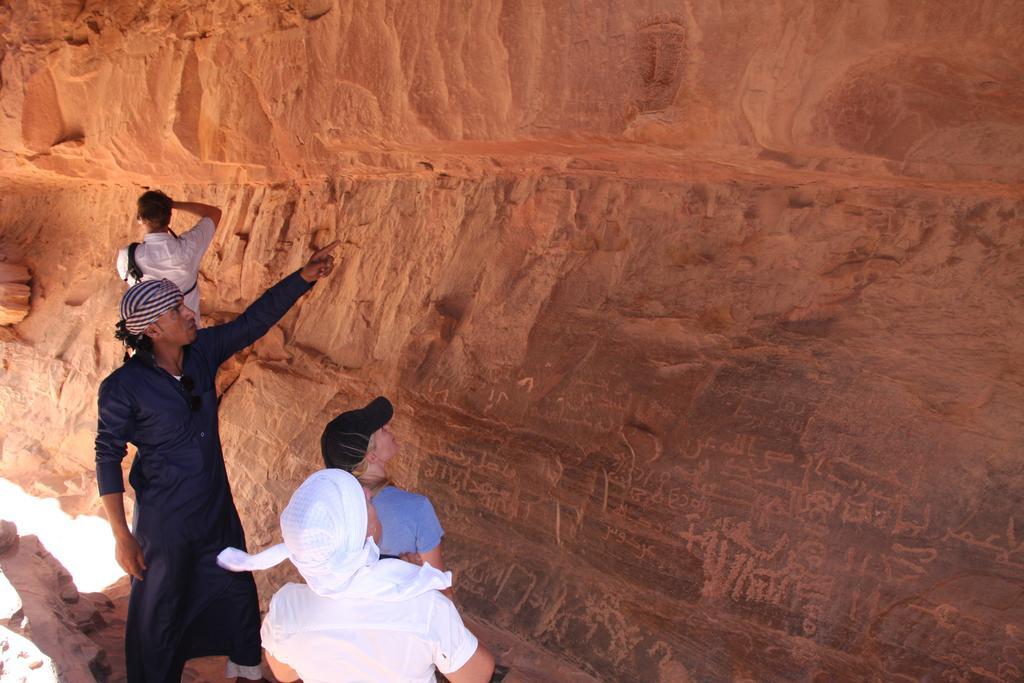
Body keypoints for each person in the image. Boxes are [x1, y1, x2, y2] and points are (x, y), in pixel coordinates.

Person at [95, 241, 340, 683]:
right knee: (160, 611)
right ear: (152, 329)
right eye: (177, 311)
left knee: (235, 595)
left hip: (216, 512)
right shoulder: (123, 387)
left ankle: (245, 673)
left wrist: (302, 278)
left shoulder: (203, 352)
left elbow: (253, 321)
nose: (192, 314)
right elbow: (107, 455)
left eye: (185, 305)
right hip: (166, 524)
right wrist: (121, 534)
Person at [216, 469, 495, 683]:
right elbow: (478, 674)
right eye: (367, 504)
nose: (373, 504)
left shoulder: (287, 606)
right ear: (360, 530)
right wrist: (439, 596)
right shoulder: (423, 606)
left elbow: (284, 673)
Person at [321, 397, 446, 571]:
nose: (388, 427)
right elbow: (444, 595)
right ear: (371, 456)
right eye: (382, 429)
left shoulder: (328, 513)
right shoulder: (416, 508)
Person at [116, 190, 222, 322]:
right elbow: (214, 213)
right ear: (169, 216)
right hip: (188, 332)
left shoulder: (127, 256)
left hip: (153, 336)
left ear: (140, 219)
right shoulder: (188, 248)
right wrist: (172, 204)